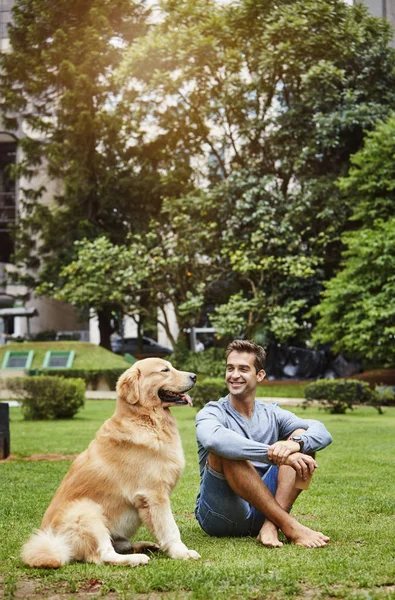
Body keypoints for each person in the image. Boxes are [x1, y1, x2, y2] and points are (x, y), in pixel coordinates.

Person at [195, 339, 332, 548]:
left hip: (264, 509)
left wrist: (296, 444)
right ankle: (289, 525)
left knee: (303, 443)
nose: (234, 375)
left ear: (260, 375)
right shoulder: (212, 411)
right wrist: (272, 452)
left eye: (243, 369)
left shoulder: (272, 412)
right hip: (220, 516)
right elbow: (214, 440)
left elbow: (321, 431)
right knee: (225, 450)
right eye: (230, 368)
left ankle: (271, 525)